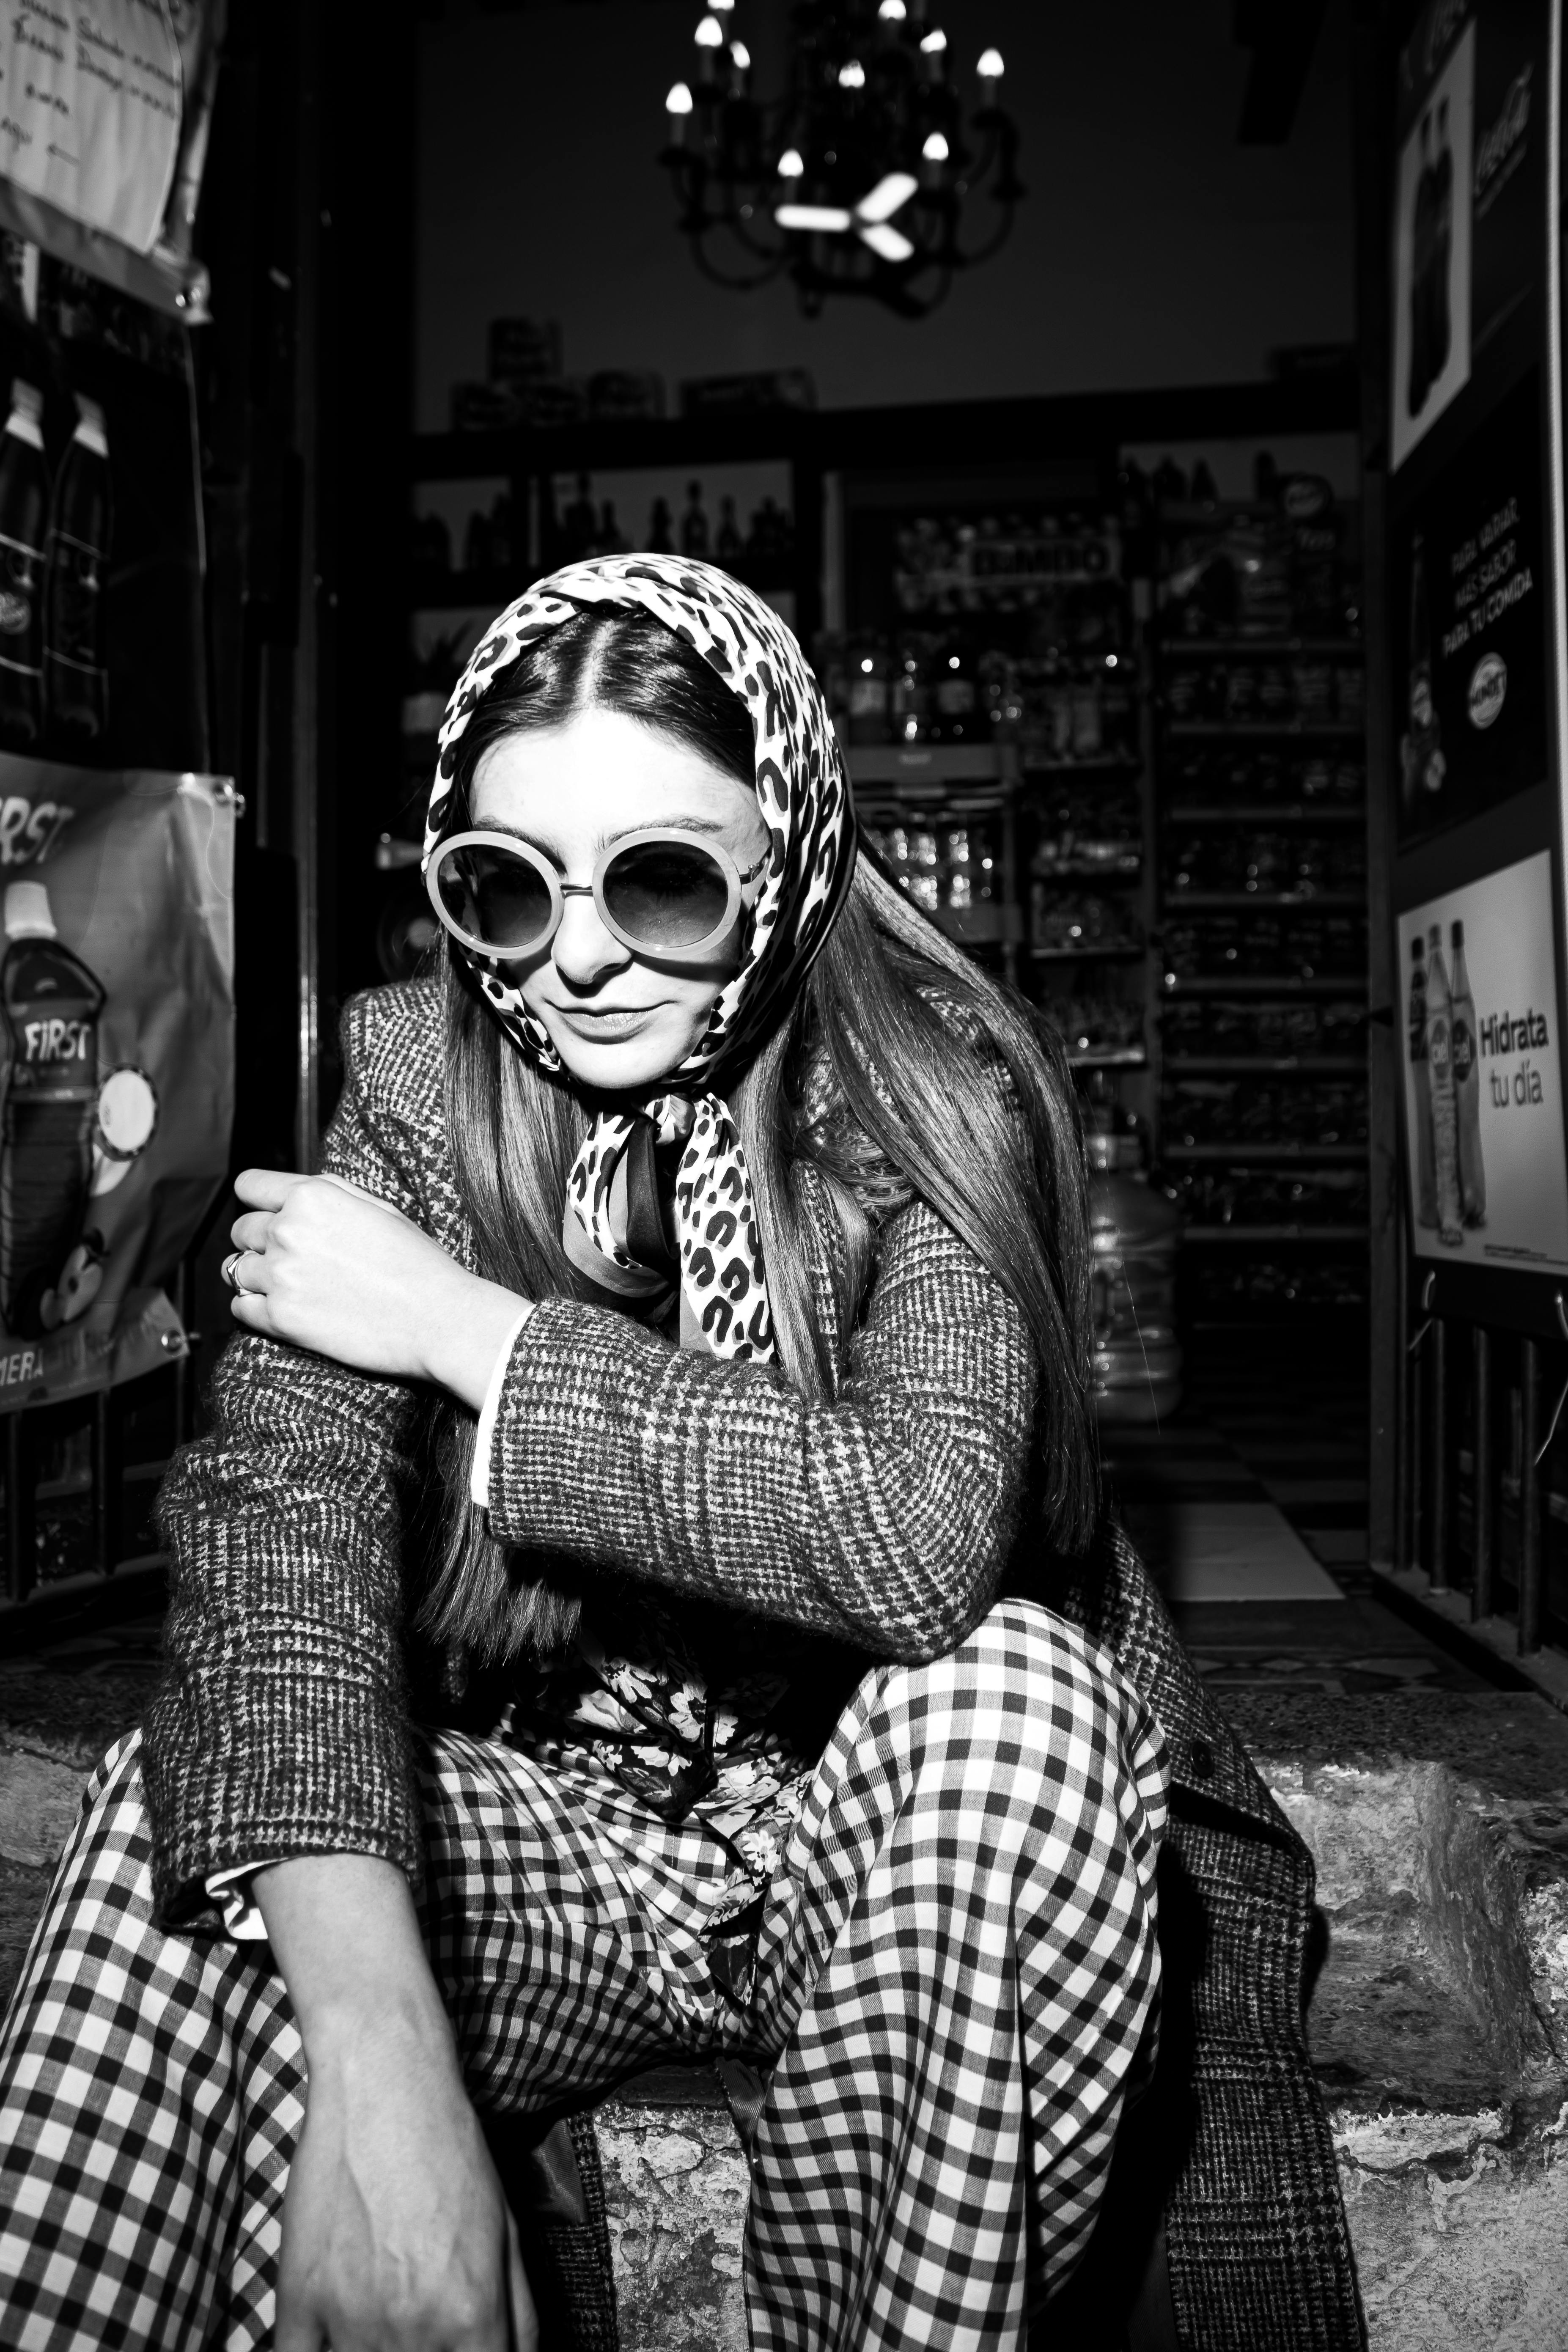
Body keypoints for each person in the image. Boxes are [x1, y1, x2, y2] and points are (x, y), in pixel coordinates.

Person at [0, 558, 1362, 2352]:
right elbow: (277, 1541)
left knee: (1020, 1696)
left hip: (896, 1860)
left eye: (658, 878)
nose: (571, 956)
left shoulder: (940, 1084)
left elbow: (919, 1532)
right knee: (171, 1821)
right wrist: (380, 2047)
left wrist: (463, 1329)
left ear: (786, 849)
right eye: (503, 885)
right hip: (578, 1852)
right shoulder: (423, 1069)